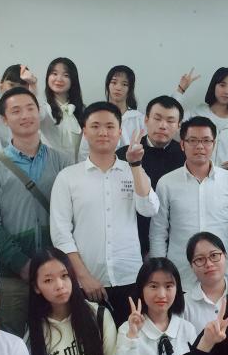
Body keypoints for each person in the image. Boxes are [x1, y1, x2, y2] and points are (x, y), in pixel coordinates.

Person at [0, 87, 73, 336]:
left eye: (30, 108)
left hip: (56, 274)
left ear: (39, 113)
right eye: (16, 111)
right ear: (4, 119)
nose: (25, 115)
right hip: (12, 275)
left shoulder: (63, 161)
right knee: (13, 340)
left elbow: (72, 218)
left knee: (58, 338)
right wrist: (23, 265)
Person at [50, 101, 158, 326]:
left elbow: (149, 209)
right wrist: (84, 277)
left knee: (131, 339)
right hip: (87, 282)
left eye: (110, 126)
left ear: (120, 132)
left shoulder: (132, 170)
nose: (103, 132)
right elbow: (61, 234)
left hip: (130, 277)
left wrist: (136, 165)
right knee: (92, 343)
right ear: (84, 130)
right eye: (95, 126)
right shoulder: (68, 177)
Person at [150, 116, 228, 291]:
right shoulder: (166, 183)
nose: (200, 146)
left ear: (214, 144)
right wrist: (160, 270)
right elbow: (158, 232)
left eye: (206, 140)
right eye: (193, 140)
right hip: (179, 274)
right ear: (182, 144)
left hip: (222, 274)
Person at [117, 96, 186, 256]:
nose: (163, 125)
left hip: (173, 242)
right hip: (131, 242)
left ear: (178, 126)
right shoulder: (124, 154)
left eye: (170, 121)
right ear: (146, 120)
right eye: (157, 118)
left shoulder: (185, 157)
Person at [175, 67, 228, 168]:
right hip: (195, 171)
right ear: (214, 86)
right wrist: (180, 90)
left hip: (226, 174)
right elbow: (171, 123)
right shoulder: (196, 113)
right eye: (222, 85)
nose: (227, 91)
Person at [78, 66, 146, 160]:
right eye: (114, 82)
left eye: (124, 84)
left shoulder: (139, 119)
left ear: (130, 89)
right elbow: (84, 151)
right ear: (108, 85)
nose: (118, 88)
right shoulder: (96, 116)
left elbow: (145, 150)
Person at [39, 57, 86, 162]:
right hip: (50, 168)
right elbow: (33, 116)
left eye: (66, 75)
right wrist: (32, 87)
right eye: (54, 74)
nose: (59, 79)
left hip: (76, 167)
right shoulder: (44, 109)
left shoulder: (82, 110)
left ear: (73, 80)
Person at [182, 232, 228, 330]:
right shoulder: (183, 304)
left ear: (225, 256)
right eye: (200, 259)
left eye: (214, 255)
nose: (209, 264)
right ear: (191, 265)